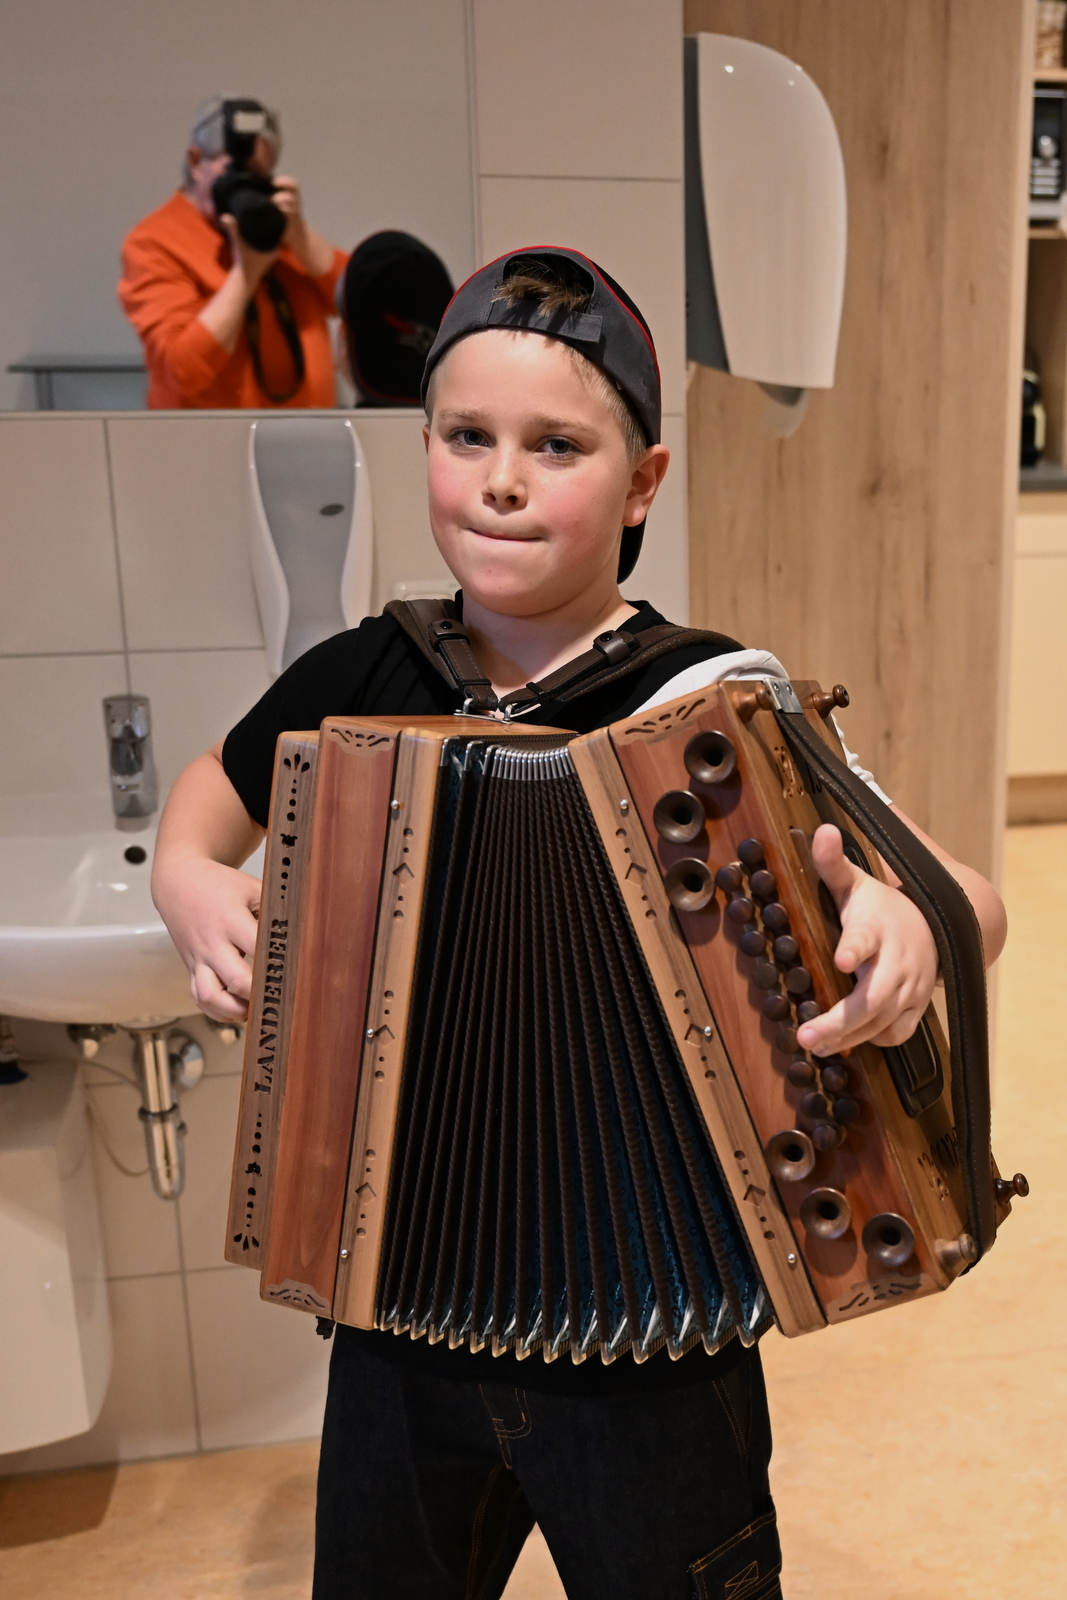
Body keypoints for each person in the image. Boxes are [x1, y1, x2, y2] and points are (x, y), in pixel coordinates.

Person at [151, 247, 1007, 1600]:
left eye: (554, 445)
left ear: (642, 481)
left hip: (654, 1352)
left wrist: (903, 925)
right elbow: (209, 793)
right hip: (398, 1316)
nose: (501, 479)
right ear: (423, 446)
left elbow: (968, 900)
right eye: (466, 437)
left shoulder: (712, 700)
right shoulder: (365, 671)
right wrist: (188, 879)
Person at [118, 96, 346, 409]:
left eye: (258, 175)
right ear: (196, 162)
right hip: (210, 437)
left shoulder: (279, 228)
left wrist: (300, 238)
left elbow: (361, 305)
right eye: (235, 172)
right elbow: (183, 370)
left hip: (307, 432)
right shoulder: (154, 242)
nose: (246, 188)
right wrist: (246, 275)